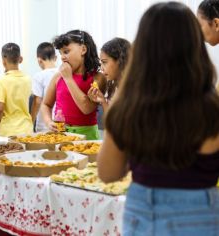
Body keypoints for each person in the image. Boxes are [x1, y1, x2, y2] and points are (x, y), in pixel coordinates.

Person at [97, 2, 219, 235]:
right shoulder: (213, 106)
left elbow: (108, 173)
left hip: (146, 213)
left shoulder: (129, 108)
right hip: (204, 214)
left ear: (143, 48)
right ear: (195, 45)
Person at [41, 30, 102, 140]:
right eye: (60, 53)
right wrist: (49, 122)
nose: (62, 57)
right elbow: (46, 104)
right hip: (61, 134)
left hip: (87, 136)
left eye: (66, 51)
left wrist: (68, 79)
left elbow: (86, 108)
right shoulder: (57, 77)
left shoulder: (97, 78)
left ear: (83, 49)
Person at [0, 42, 33, 137]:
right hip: (26, 129)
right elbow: (32, 101)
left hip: (7, 131)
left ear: (3, 61)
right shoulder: (28, 79)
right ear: (20, 59)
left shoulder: (2, 80)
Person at [88, 37, 130, 112]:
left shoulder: (132, 90)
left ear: (120, 61)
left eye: (104, 62)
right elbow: (112, 121)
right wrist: (103, 100)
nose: (101, 68)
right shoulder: (115, 87)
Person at [30, 42, 58, 132]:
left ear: (39, 60)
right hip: (60, 122)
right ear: (56, 58)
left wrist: (31, 122)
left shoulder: (39, 76)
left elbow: (37, 101)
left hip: (44, 125)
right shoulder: (62, 73)